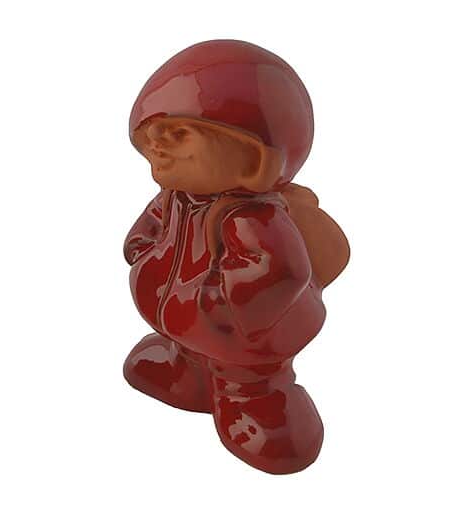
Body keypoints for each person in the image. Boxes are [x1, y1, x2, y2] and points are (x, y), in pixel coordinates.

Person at [123, 40, 349, 474]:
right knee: (189, 351)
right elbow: (151, 223)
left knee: (243, 370)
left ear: (253, 160)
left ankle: (257, 401)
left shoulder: (253, 219)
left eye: (178, 135)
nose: (158, 147)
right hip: (184, 324)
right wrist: (141, 248)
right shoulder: (175, 197)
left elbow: (279, 272)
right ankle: (189, 370)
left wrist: (214, 301)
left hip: (243, 337)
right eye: (152, 136)